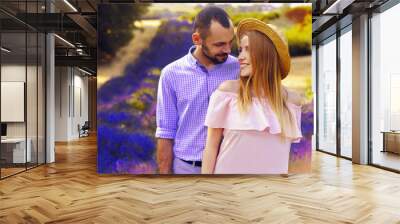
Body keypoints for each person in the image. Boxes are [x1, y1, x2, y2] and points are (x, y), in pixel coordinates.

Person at [201, 18, 303, 174]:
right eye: (240, 49)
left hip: (271, 192)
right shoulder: (228, 92)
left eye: (248, 49)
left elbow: (286, 155)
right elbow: (211, 146)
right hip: (228, 188)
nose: (240, 57)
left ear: (266, 54)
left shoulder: (292, 101)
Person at [155, 6, 240, 174]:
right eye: (219, 44)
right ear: (197, 39)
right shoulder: (171, 74)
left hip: (229, 166)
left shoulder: (239, 69)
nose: (228, 50)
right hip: (186, 168)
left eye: (231, 42)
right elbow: (165, 132)